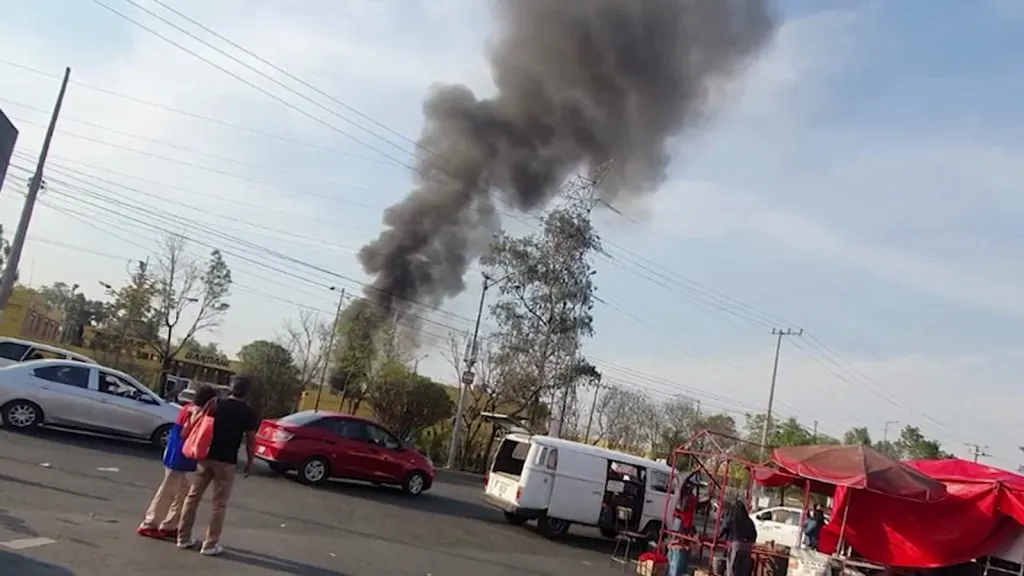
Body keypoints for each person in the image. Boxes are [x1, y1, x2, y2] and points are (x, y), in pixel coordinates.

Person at [176, 375, 259, 556]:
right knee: (219, 504)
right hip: (227, 462)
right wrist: (250, 462)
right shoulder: (249, 413)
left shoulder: (216, 404)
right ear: (247, 393)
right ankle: (210, 544)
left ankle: (183, 538)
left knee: (193, 497)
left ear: (230, 388)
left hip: (205, 456)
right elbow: (251, 441)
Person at [137, 384, 217, 540]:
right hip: (181, 457)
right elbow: (186, 432)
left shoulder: (187, 408)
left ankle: (170, 524)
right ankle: (150, 523)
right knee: (169, 491)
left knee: (182, 492)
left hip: (176, 454)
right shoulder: (197, 413)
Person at [668, 476, 699, 576]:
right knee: (675, 542)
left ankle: (679, 569)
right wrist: (693, 472)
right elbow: (683, 482)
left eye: (693, 486)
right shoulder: (682, 495)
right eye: (691, 485)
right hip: (680, 521)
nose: (692, 487)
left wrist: (709, 498)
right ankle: (671, 568)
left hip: (687, 523)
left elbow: (698, 506)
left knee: (685, 545)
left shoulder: (692, 497)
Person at [718, 499, 757, 576]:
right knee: (743, 568)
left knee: (732, 566)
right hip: (747, 546)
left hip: (736, 544)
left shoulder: (732, 518)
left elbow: (724, 528)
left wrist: (719, 536)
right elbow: (754, 534)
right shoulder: (749, 520)